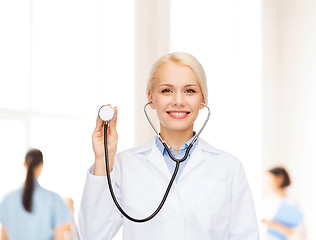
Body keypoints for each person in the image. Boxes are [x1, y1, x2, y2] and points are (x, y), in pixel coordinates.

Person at [78, 52, 260, 240]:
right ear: (151, 98)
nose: (178, 101)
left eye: (190, 90)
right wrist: (102, 160)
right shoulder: (125, 165)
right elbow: (92, 235)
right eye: (167, 90)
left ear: (202, 99)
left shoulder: (228, 167)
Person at [0, 149, 72, 240]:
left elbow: (3, 237)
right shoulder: (54, 199)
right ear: (42, 165)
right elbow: (60, 237)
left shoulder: (8, 199)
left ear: (24, 165)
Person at [261, 167, 306, 240]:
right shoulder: (265, 202)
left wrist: (273, 225)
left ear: (280, 178)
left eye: (268, 180)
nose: (266, 184)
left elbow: (299, 234)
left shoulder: (291, 203)